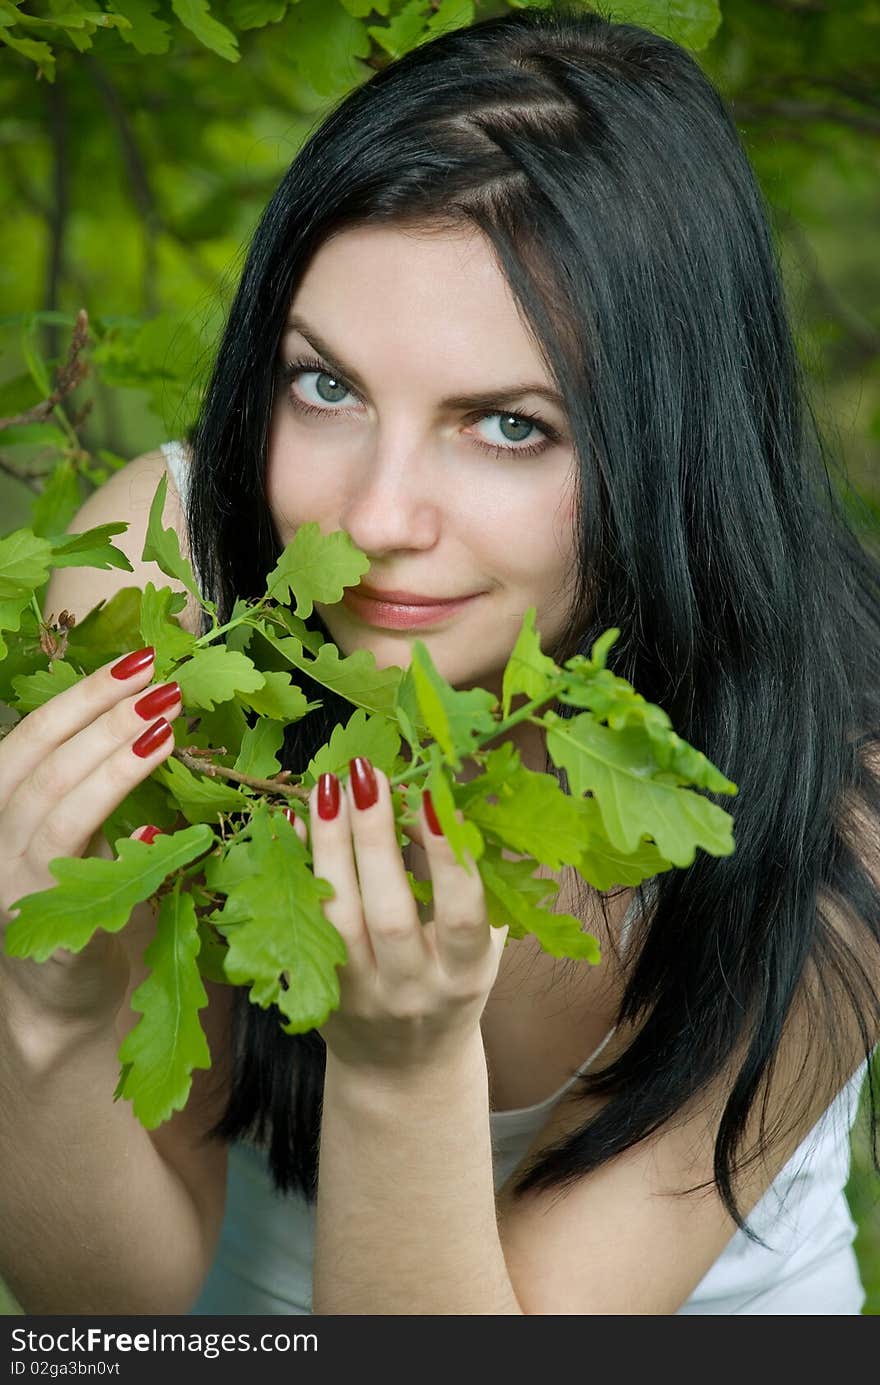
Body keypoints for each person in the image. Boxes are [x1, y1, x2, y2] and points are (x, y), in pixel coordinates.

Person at [1, 3, 879, 1316]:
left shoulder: (835, 804)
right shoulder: (165, 585)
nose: (372, 518)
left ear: (670, 447)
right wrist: (47, 1021)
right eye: (328, 387)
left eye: (508, 426)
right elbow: (118, 1311)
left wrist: (402, 1069)